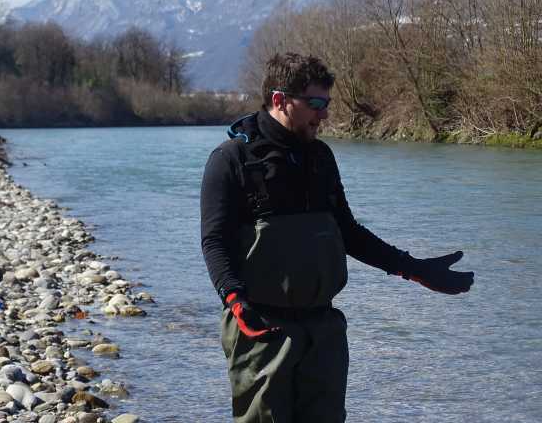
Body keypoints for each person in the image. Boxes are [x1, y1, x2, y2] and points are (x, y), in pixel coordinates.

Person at [200, 52, 474, 423]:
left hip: (324, 330)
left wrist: (412, 268)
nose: (325, 114)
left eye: (327, 103)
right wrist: (235, 301)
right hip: (262, 329)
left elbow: (348, 232)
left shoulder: (321, 158)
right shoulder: (230, 159)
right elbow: (214, 241)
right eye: (315, 104)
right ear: (280, 100)